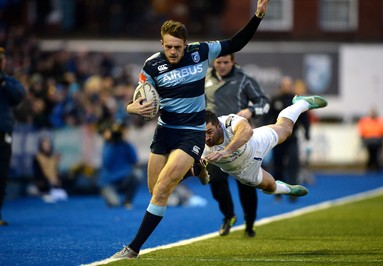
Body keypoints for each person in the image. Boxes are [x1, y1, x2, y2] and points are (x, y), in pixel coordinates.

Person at [105, 0, 271, 260]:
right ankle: (195, 169)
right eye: (168, 47)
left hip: (191, 132)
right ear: (162, 44)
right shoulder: (151, 66)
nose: (173, 51)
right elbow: (136, 102)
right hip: (164, 131)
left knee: (162, 191)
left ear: (186, 44)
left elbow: (235, 44)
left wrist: (257, 16)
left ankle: (133, 248)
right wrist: (131, 109)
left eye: (178, 47)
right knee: (155, 189)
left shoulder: (201, 52)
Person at [200, 95, 327, 205]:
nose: (206, 138)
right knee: (270, 187)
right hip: (243, 171)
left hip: (256, 142)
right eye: (202, 133)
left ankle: (302, 103)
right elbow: (203, 179)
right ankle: (288, 190)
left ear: (219, 126)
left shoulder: (228, 121)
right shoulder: (198, 144)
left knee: (285, 129)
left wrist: (226, 151)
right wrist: (203, 173)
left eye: (209, 132)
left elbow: (247, 131)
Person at [205, 53, 270, 237]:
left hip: (239, 139)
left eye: (226, 62)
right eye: (219, 62)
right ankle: (228, 216)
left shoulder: (244, 80)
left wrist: (251, 110)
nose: (222, 65)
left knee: (247, 183)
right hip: (214, 140)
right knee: (216, 181)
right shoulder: (204, 80)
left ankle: (249, 223)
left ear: (233, 62)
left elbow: (264, 103)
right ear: (214, 62)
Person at [267, 76, 311, 202]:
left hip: (292, 139)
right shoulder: (275, 100)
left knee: (293, 165)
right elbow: (268, 117)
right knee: (277, 165)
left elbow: (305, 119)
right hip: (277, 140)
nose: (286, 87)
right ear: (281, 87)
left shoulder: (296, 101)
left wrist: (307, 133)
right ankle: (277, 192)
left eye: (288, 85)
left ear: (291, 86)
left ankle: (293, 192)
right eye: (284, 85)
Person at [0, 47, 26, 225]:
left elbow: (19, 96)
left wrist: (2, 82)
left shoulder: (8, 81)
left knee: (1, 174)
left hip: (3, 133)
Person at [98, 122, 140, 209]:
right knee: (115, 204)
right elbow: (107, 162)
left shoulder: (126, 145)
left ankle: (127, 201)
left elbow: (134, 159)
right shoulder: (108, 146)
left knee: (137, 174)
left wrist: (126, 142)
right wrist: (111, 142)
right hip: (109, 183)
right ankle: (111, 196)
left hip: (123, 180)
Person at [32, 135, 68, 203]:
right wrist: (48, 180)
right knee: (43, 186)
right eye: (45, 145)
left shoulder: (53, 157)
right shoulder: (37, 158)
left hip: (54, 182)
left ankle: (54, 191)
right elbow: (37, 173)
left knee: (65, 185)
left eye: (48, 145)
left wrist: (57, 179)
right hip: (44, 182)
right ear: (41, 146)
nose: (47, 147)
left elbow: (56, 171)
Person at [357, 106, 383, 172]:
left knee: (376, 154)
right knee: (371, 154)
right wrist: (364, 138)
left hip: (378, 141)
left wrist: (381, 136)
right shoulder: (365, 121)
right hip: (369, 141)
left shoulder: (381, 120)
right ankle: (370, 166)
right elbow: (361, 130)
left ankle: (376, 166)